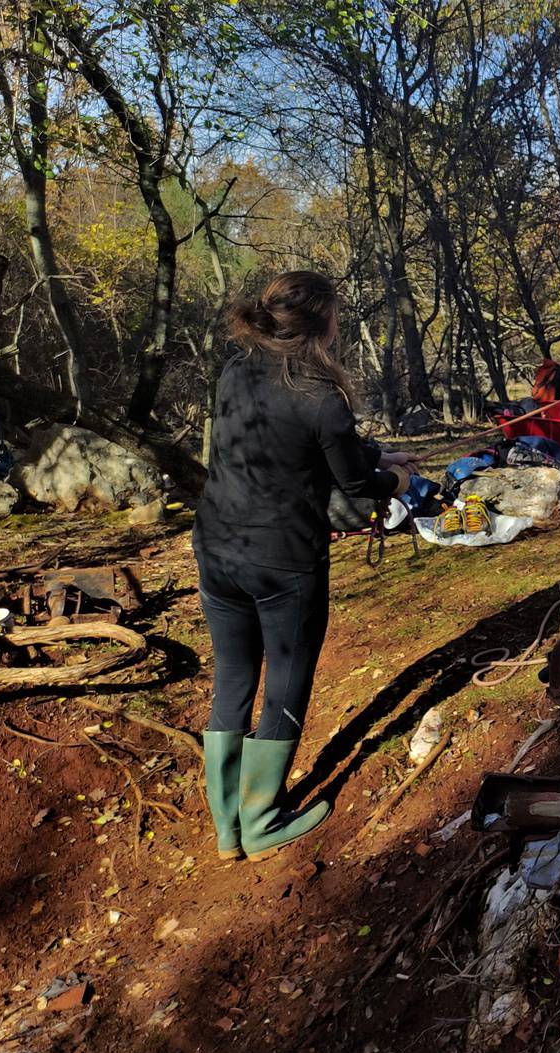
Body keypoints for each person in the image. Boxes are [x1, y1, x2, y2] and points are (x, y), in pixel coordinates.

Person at [193, 270, 412, 862]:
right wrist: (396, 476)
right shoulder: (323, 395)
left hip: (216, 549)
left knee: (234, 676)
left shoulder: (234, 372)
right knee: (286, 679)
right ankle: (261, 819)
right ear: (323, 322)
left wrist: (372, 451)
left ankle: (226, 829)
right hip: (283, 563)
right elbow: (355, 486)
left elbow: (280, 446)